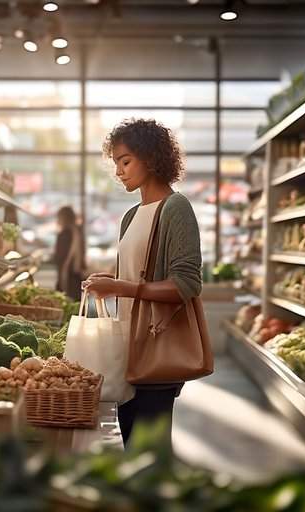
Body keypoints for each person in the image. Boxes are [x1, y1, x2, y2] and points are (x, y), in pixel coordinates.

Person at [83, 118, 202, 447]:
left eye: (125, 161)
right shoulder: (131, 216)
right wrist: (111, 281)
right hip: (126, 348)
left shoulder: (176, 208)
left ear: (151, 158)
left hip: (155, 347)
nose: (119, 171)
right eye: (116, 163)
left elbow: (187, 284)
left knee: (148, 452)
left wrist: (123, 288)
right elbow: (135, 276)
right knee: (131, 442)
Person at [54, 206, 84, 301]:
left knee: (68, 306)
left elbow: (60, 258)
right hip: (76, 277)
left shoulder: (64, 234)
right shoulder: (78, 231)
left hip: (67, 277)